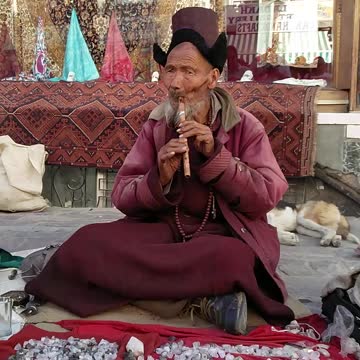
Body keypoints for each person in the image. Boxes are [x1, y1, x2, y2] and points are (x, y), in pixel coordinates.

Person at [25, 7, 294, 335]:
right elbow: (122, 194)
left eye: (188, 72)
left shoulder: (244, 127)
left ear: (212, 78)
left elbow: (266, 196)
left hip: (222, 234)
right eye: (170, 70)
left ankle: (159, 295)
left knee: (234, 260)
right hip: (164, 231)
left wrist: (218, 158)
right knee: (86, 243)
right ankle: (199, 299)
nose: (176, 84)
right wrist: (159, 177)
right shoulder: (156, 124)